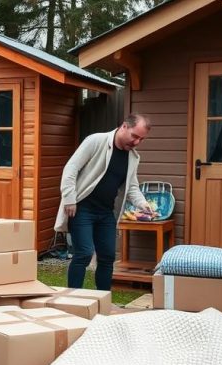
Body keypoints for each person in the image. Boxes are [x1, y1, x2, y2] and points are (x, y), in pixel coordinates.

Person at [55, 114, 154, 291]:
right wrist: (69, 199)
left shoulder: (132, 157)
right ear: (124, 126)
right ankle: (72, 298)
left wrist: (143, 204)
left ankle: (102, 300)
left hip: (106, 213)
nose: (137, 142)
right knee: (84, 254)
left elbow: (132, 186)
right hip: (82, 208)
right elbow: (71, 168)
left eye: (141, 139)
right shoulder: (96, 141)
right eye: (135, 136)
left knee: (107, 257)